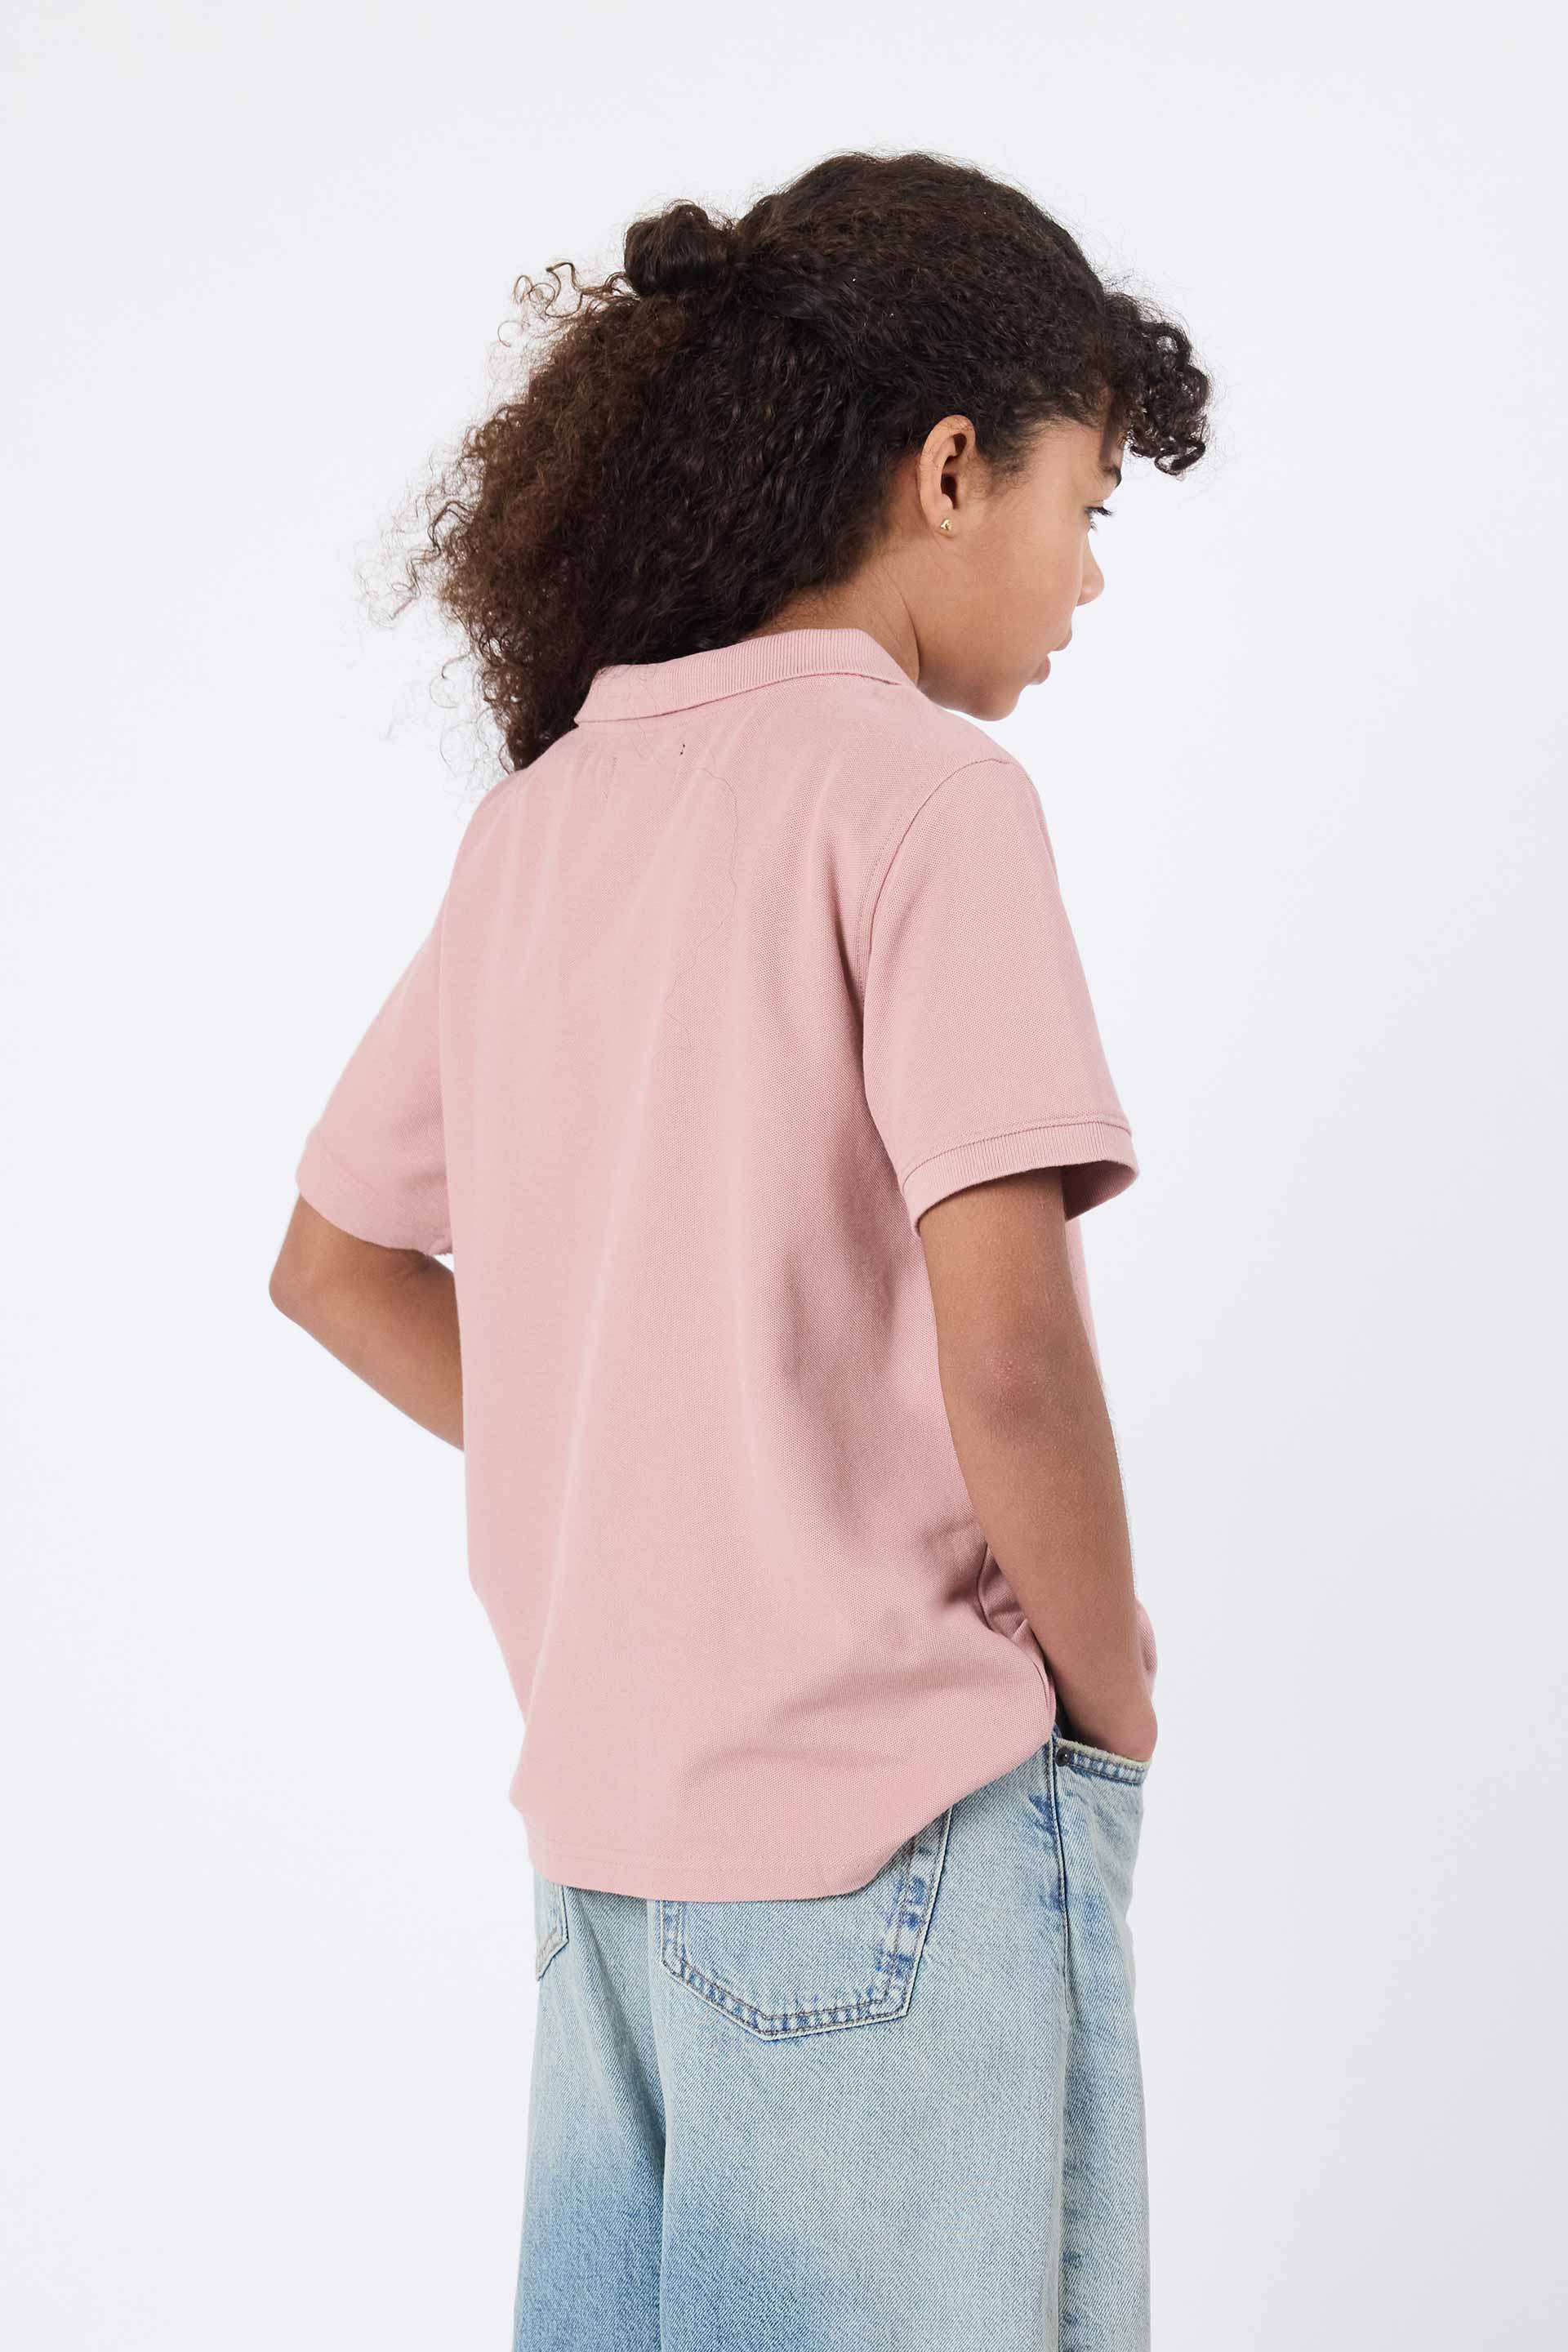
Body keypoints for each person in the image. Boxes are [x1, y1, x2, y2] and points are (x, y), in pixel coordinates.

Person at [270, 147, 1209, 2351]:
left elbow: (334, 1262)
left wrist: (627, 1455)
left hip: (606, 1865)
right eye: (1084, 505)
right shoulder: (925, 801)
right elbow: (1012, 1363)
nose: (1088, 579)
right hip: (901, 1833)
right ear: (950, 471)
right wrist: (1110, 1703)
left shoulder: (545, 822)